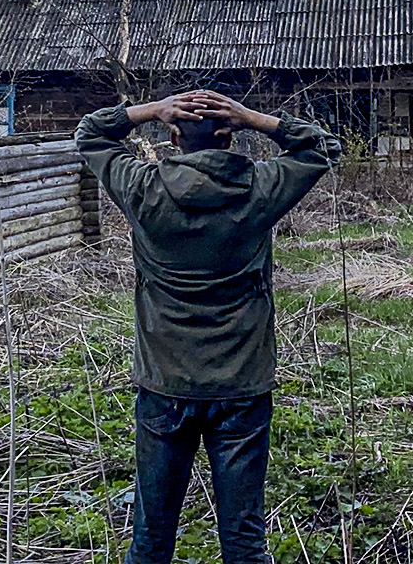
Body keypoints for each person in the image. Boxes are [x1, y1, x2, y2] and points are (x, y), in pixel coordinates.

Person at [74, 89, 342, 564]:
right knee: (243, 541)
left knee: (151, 538)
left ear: (173, 135)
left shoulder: (144, 189)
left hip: (164, 382)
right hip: (241, 383)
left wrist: (150, 110)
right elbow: (322, 148)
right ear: (229, 134)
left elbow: (91, 133)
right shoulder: (259, 189)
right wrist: (258, 120)